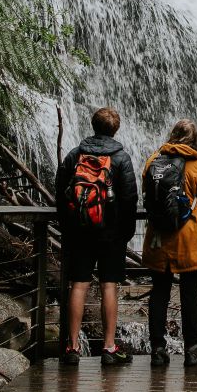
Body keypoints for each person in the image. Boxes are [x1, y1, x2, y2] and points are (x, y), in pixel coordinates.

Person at [54, 106, 139, 367]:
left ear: (93, 126)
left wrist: (68, 224)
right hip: (111, 234)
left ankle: (72, 346)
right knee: (108, 286)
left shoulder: (75, 154)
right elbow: (129, 198)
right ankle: (109, 347)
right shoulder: (121, 158)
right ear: (116, 129)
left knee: (78, 285)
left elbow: (60, 190)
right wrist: (126, 232)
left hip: (79, 232)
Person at [140, 119, 197, 368]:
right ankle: (192, 351)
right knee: (190, 296)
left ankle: (158, 350)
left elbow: (147, 195)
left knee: (159, 293)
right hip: (188, 240)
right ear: (195, 140)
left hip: (159, 238)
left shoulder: (154, 160)